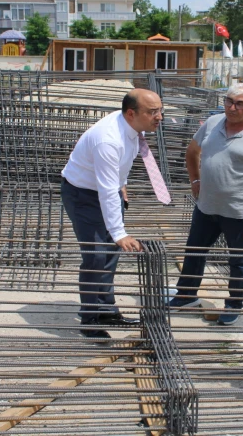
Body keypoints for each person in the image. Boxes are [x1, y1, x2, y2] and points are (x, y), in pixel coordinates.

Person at [168, 83, 243, 325]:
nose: (232, 107)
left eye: (240, 103)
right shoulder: (212, 123)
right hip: (206, 206)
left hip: (238, 211)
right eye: (229, 101)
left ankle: (234, 304)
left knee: (238, 259)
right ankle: (186, 294)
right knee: (195, 252)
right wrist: (195, 178)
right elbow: (191, 152)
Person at [61, 88, 167, 339]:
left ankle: (106, 308)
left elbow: (119, 169)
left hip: (107, 188)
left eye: (161, 110)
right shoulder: (109, 139)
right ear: (131, 113)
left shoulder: (130, 126)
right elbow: (105, 190)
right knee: (96, 255)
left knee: (109, 253)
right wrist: (119, 233)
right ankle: (90, 320)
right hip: (83, 194)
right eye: (153, 112)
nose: (159, 116)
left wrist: (123, 185)